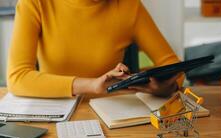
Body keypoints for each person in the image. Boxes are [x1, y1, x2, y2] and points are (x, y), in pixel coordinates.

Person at [7, 0, 184, 98]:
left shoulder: (129, 6)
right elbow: (18, 77)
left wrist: (167, 86)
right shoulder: (34, 3)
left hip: (112, 115)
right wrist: (91, 85)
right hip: (54, 112)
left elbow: (172, 65)